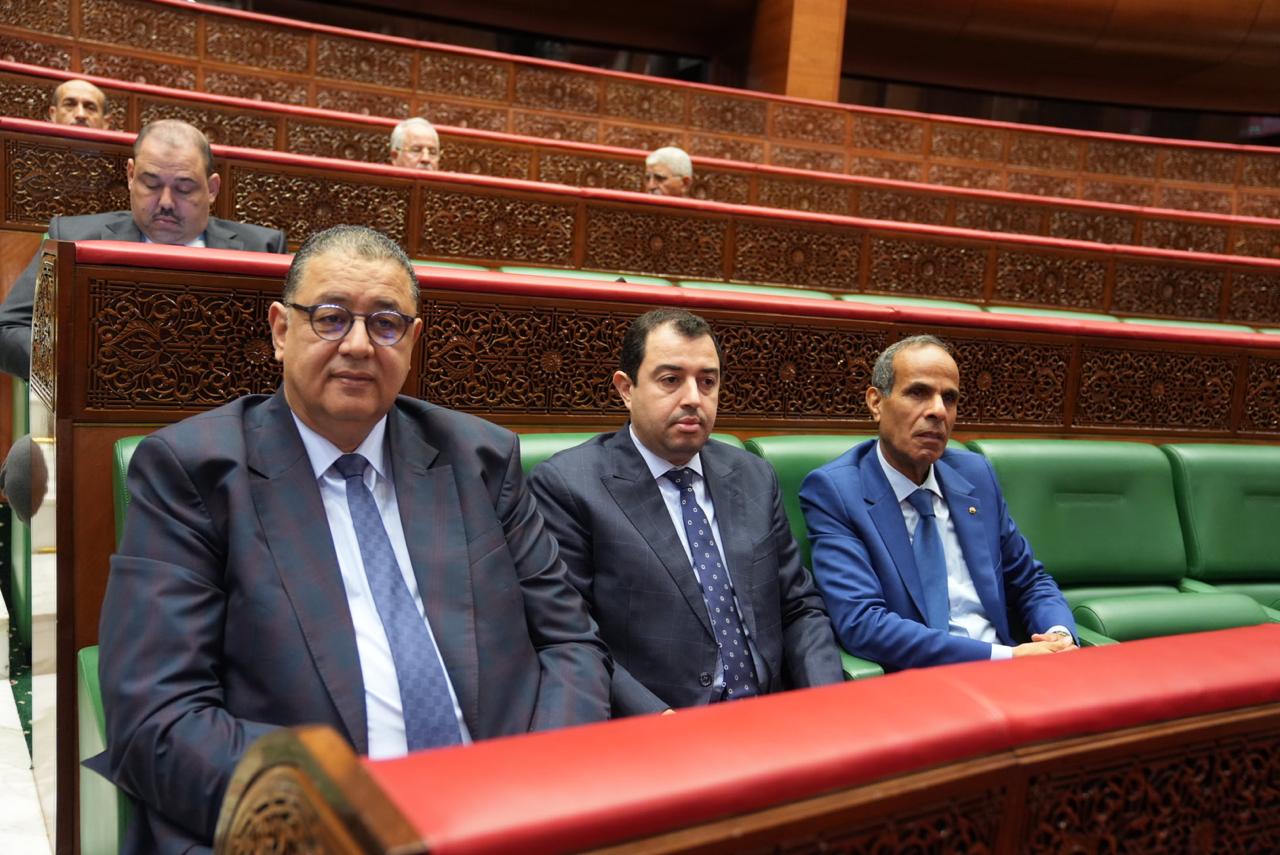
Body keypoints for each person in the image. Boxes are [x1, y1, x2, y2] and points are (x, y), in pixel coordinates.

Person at [90, 225, 612, 853]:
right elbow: (158, 718)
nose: (360, 346)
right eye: (331, 318)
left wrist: (540, 781)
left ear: (412, 342)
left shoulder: (479, 458)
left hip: (506, 812)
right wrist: (350, 810)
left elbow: (569, 642)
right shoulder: (194, 472)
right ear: (281, 331)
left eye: (386, 324)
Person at [529, 308, 843, 715]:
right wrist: (657, 720)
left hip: (772, 717)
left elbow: (799, 607)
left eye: (707, 381)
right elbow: (573, 636)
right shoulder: (570, 485)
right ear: (626, 389)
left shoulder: (752, 475)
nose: (693, 398)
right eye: (671, 380)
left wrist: (827, 704)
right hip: (658, 725)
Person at [799, 335, 1076, 671]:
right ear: (876, 402)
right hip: (923, 681)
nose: (938, 411)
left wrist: (1059, 636)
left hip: (1013, 672)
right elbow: (862, 622)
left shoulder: (975, 475)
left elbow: (1030, 582)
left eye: (949, 398)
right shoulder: (836, 491)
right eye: (918, 393)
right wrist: (1006, 656)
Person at [0, 119, 287, 380]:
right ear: (130, 175)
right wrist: (82, 363)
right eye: (151, 184)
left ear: (212, 189)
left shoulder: (262, 249)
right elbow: (8, 330)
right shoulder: (75, 240)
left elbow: (287, 343)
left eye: (184, 189)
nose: (166, 202)